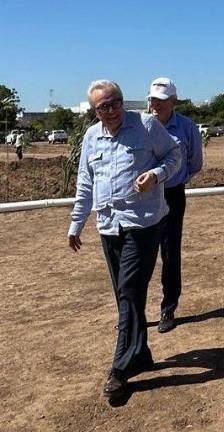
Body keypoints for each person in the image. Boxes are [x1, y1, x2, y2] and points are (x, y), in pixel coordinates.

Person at [67, 80, 180, 399]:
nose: (112, 110)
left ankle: (119, 369)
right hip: (108, 225)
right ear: (95, 110)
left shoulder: (145, 125)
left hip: (144, 223)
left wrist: (156, 175)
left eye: (116, 102)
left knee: (129, 289)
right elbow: (85, 183)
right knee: (124, 295)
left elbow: (175, 155)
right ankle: (140, 353)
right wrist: (77, 222)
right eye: (104, 106)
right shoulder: (91, 137)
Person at [147, 77, 204, 333]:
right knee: (140, 255)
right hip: (142, 198)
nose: (155, 105)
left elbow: (195, 163)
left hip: (172, 195)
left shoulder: (187, 127)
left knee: (170, 253)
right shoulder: (139, 126)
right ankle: (133, 314)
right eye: (152, 100)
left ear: (173, 101)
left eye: (161, 100)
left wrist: (176, 179)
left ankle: (168, 307)